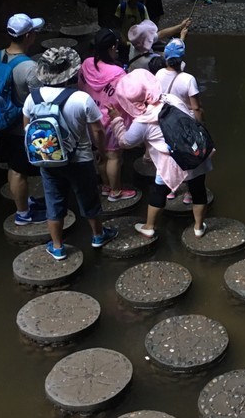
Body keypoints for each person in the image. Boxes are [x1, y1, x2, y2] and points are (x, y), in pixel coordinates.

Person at [23, 47, 118, 260]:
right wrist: (100, 151)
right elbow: (97, 130)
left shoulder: (33, 99)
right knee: (89, 199)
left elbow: (27, 129)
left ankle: (57, 247)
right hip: (80, 159)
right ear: (70, 73)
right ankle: (98, 235)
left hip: (48, 160)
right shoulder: (81, 99)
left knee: (53, 202)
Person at [108, 71, 212, 240]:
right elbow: (190, 117)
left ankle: (149, 227)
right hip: (192, 152)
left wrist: (117, 120)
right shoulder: (171, 99)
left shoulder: (142, 122)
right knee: (198, 189)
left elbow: (126, 142)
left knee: (159, 191)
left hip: (169, 161)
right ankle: (199, 227)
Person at [0, 13, 45, 224]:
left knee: (13, 167)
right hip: (22, 126)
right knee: (20, 170)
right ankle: (23, 214)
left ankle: (23, 204)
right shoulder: (30, 68)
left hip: (2, 122)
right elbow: (38, 101)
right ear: (28, 35)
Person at [78, 28, 136, 202]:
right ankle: (116, 191)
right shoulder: (118, 74)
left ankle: (105, 185)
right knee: (114, 156)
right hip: (110, 119)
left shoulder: (86, 64)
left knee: (101, 153)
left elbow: (80, 86)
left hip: (91, 118)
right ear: (112, 47)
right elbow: (126, 98)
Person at [155, 38, 205, 204]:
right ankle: (190, 193)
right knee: (190, 158)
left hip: (166, 122)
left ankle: (171, 189)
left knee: (171, 156)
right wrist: (200, 126)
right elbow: (196, 107)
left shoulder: (159, 74)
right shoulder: (188, 79)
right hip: (186, 124)